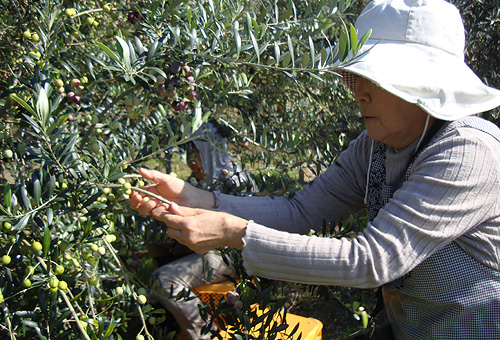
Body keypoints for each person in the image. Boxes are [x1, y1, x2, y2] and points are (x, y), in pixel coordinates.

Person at [131, 0, 500, 338]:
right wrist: (200, 199)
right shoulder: (375, 147)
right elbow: (301, 210)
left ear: (427, 82)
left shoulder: (469, 151)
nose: (359, 93)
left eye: (377, 78)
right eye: (355, 77)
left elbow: (372, 260)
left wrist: (234, 231)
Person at [147, 122, 256, 340]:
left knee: (165, 280)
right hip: (218, 251)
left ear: (208, 149)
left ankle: (207, 336)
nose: (190, 161)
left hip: (233, 254)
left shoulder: (233, 182)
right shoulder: (208, 179)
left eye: (194, 151)